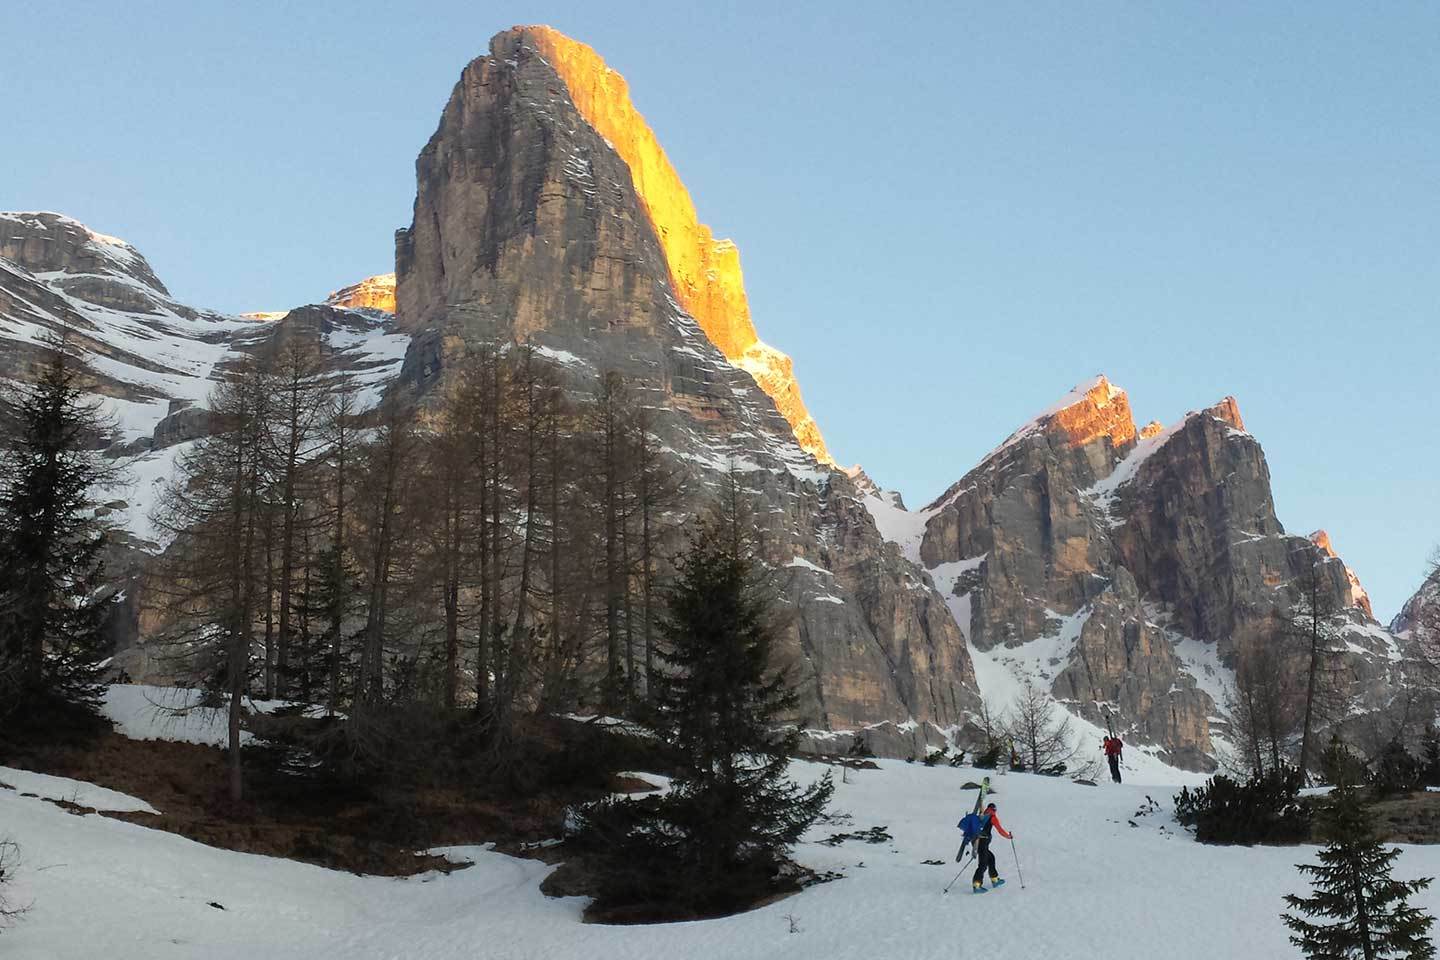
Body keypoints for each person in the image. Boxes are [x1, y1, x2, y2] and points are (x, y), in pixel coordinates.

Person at [971, 802, 1013, 893]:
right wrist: (1008, 836)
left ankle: (994, 879)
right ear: (994, 810)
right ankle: (977, 885)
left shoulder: (982, 814)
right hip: (983, 842)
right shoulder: (992, 817)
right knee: (983, 864)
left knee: (991, 858)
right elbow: (1000, 830)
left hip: (976, 841)